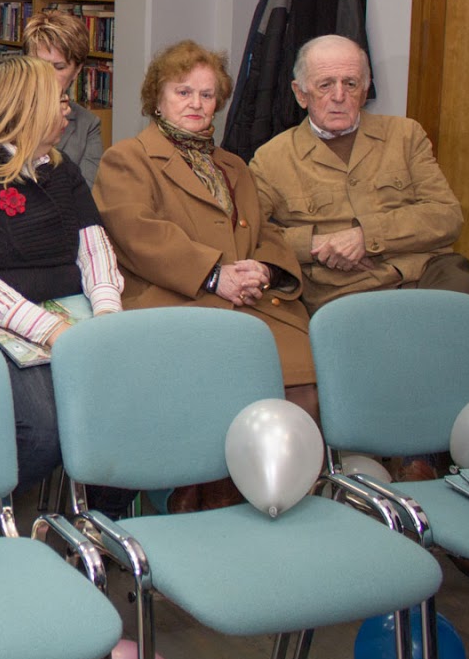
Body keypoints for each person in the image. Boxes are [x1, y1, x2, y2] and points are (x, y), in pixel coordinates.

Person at [0, 54, 124, 525]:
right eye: (57, 101)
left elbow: (95, 250)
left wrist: (107, 316)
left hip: (65, 316)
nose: (67, 110)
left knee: (123, 408)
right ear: (24, 108)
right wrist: (50, 330)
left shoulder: (59, 168)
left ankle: (100, 524)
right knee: (44, 431)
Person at [94, 40, 312, 413]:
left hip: (251, 303)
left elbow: (264, 231)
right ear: (157, 99)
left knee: (306, 381)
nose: (196, 103)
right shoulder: (127, 158)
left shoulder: (233, 165)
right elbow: (139, 234)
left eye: (207, 95)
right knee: (232, 392)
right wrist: (213, 276)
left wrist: (264, 269)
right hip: (177, 304)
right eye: (183, 92)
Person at [250, 34, 469, 310]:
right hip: (343, 289)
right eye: (325, 85)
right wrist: (314, 243)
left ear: (365, 90)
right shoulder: (271, 159)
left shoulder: (405, 135)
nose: (339, 96)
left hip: (424, 273)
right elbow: (251, 235)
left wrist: (366, 236)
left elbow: (446, 215)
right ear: (301, 93)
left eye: (350, 84)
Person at [24, 9, 104, 188]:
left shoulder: (87, 124)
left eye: (59, 67)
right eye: (39, 65)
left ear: (77, 71)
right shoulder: (3, 110)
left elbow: (85, 192)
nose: (47, 75)